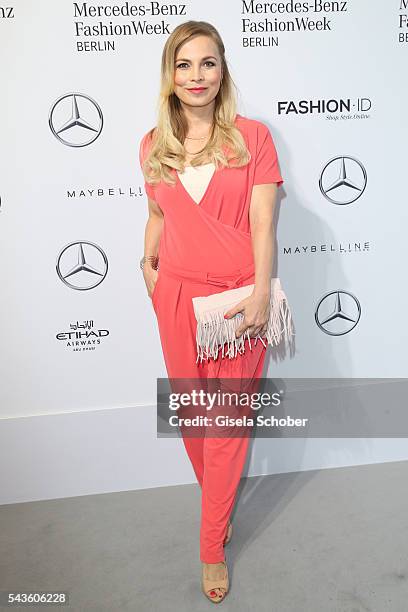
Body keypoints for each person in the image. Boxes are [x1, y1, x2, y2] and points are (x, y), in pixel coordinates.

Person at [138, 20, 284, 603]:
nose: (195, 76)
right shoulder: (152, 144)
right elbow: (157, 213)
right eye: (183, 65)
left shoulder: (253, 138)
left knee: (225, 424)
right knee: (196, 420)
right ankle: (218, 514)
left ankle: (210, 548)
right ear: (170, 76)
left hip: (235, 302)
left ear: (223, 70)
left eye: (207, 63)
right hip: (174, 294)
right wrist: (147, 266)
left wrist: (261, 291)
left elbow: (263, 222)